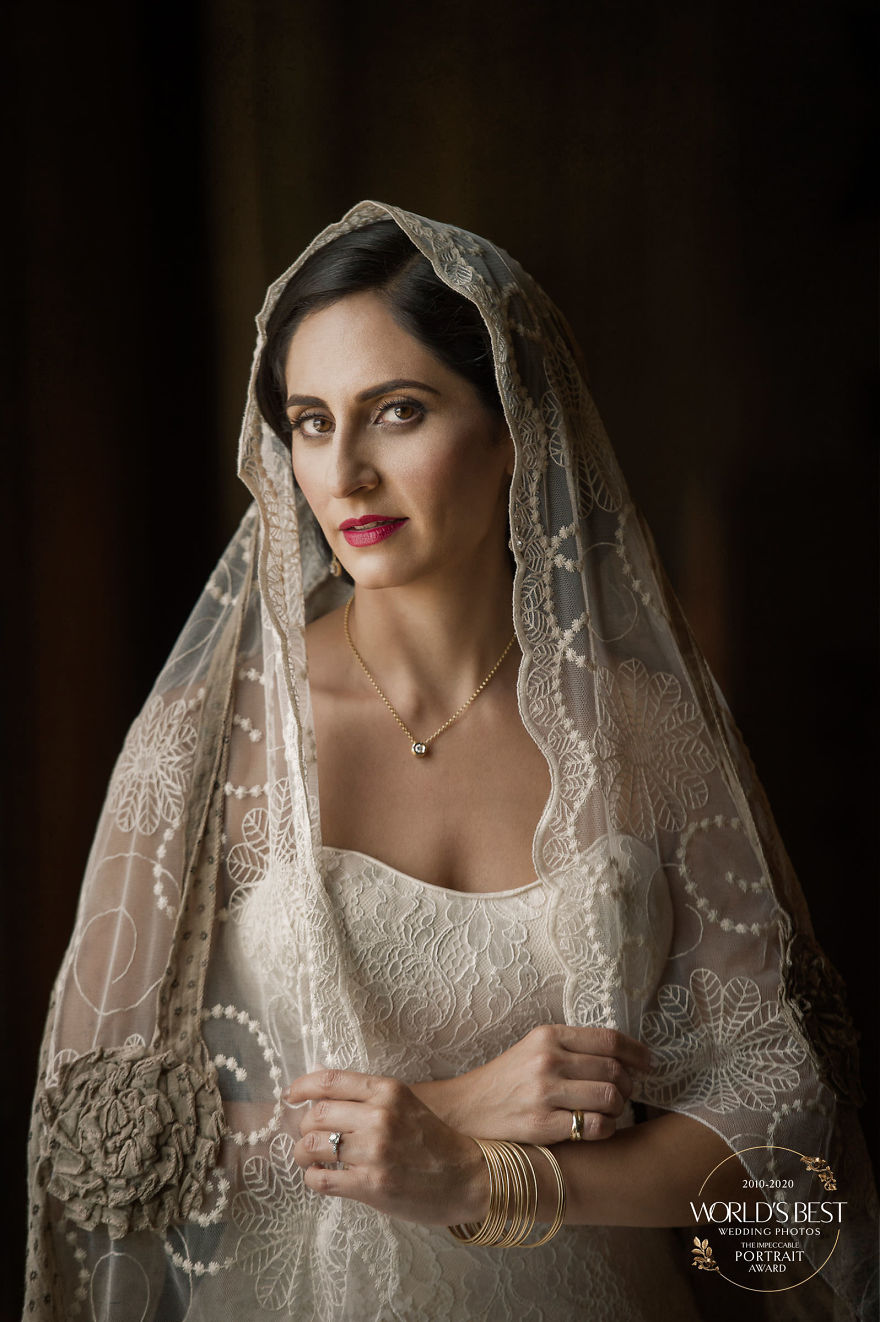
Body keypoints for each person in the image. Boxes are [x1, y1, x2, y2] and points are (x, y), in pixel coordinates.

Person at [24, 202, 875, 1321]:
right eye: (312, 421)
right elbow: (98, 1149)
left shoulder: (645, 729)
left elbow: (780, 1116)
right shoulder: (206, 740)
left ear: (515, 422)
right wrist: (445, 1108)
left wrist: (486, 1179)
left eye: (399, 411)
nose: (345, 473)